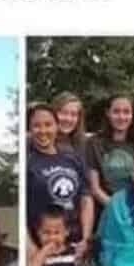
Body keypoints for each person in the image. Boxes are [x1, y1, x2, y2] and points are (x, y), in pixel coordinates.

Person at [26, 103, 92, 251]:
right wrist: (29, 246)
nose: (43, 131)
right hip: (43, 246)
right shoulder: (27, 163)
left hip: (75, 244)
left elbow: (85, 199)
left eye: (48, 124)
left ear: (57, 126)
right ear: (29, 130)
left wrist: (86, 239)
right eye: (36, 126)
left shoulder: (73, 159)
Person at [86, 93, 134, 211]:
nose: (121, 117)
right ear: (108, 113)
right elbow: (95, 188)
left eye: (126, 112)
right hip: (105, 210)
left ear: (132, 115)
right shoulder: (94, 143)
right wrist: (117, 208)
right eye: (116, 112)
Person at [52, 90, 88, 164]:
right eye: (63, 113)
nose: (68, 119)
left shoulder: (85, 145)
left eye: (74, 114)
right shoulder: (35, 142)